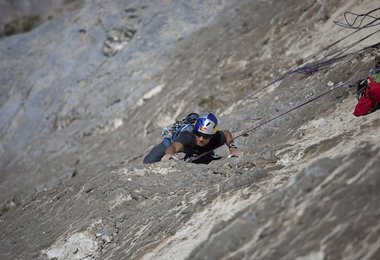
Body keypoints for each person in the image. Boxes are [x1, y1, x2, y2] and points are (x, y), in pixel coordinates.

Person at [143, 113, 240, 164]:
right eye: (198, 134)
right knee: (148, 162)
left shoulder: (216, 137)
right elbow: (174, 147)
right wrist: (169, 154)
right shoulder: (187, 137)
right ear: (195, 132)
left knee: (204, 157)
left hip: (193, 147)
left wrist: (233, 148)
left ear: (212, 135)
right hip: (172, 141)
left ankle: (192, 154)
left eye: (206, 136)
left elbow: (227, 134)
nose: (201, 138)